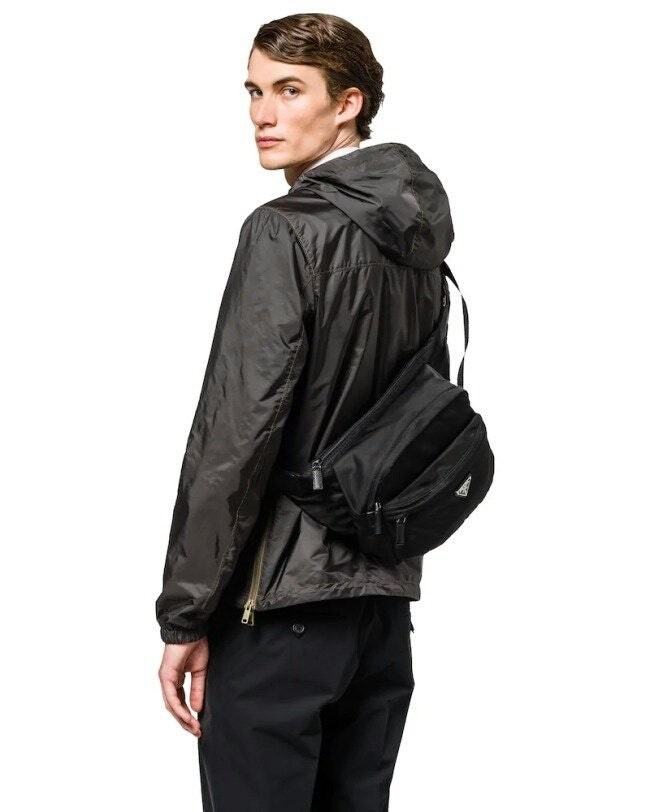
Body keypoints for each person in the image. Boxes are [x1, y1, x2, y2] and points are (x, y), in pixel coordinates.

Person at [156, 12, 454, 811]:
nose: (263, 113)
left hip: (281, 609)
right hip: (381, 612)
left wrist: (184, 617)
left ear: (348, 103)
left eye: (290, 90)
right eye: (254, 91)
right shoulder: (418, 237)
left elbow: (235, 436)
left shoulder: (284, 232)